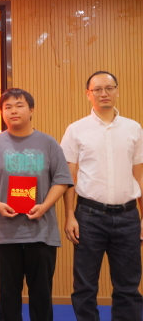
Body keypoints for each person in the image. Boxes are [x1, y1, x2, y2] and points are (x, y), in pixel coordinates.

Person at [0, 88, 73, 321]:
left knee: (42, 295)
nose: (13, 111)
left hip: (42, 232)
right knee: (8, 295)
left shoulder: (48, 143)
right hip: (4, 232)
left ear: (31, 110)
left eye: (19, 105)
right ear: (2, 113)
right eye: (7, 107)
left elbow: (62, 180)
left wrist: (45, 206)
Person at [61, 71, 143, 321]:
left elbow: (139, 176)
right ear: (88, 94)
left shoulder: (133, 128)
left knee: (128, 286)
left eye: (109, 88)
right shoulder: (76, 130)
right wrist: (69, 216)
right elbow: (68, 178)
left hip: (128, 216)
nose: (104, 93)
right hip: (88, 216)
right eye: (97, 89)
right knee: (84, 285)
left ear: (117, 91)